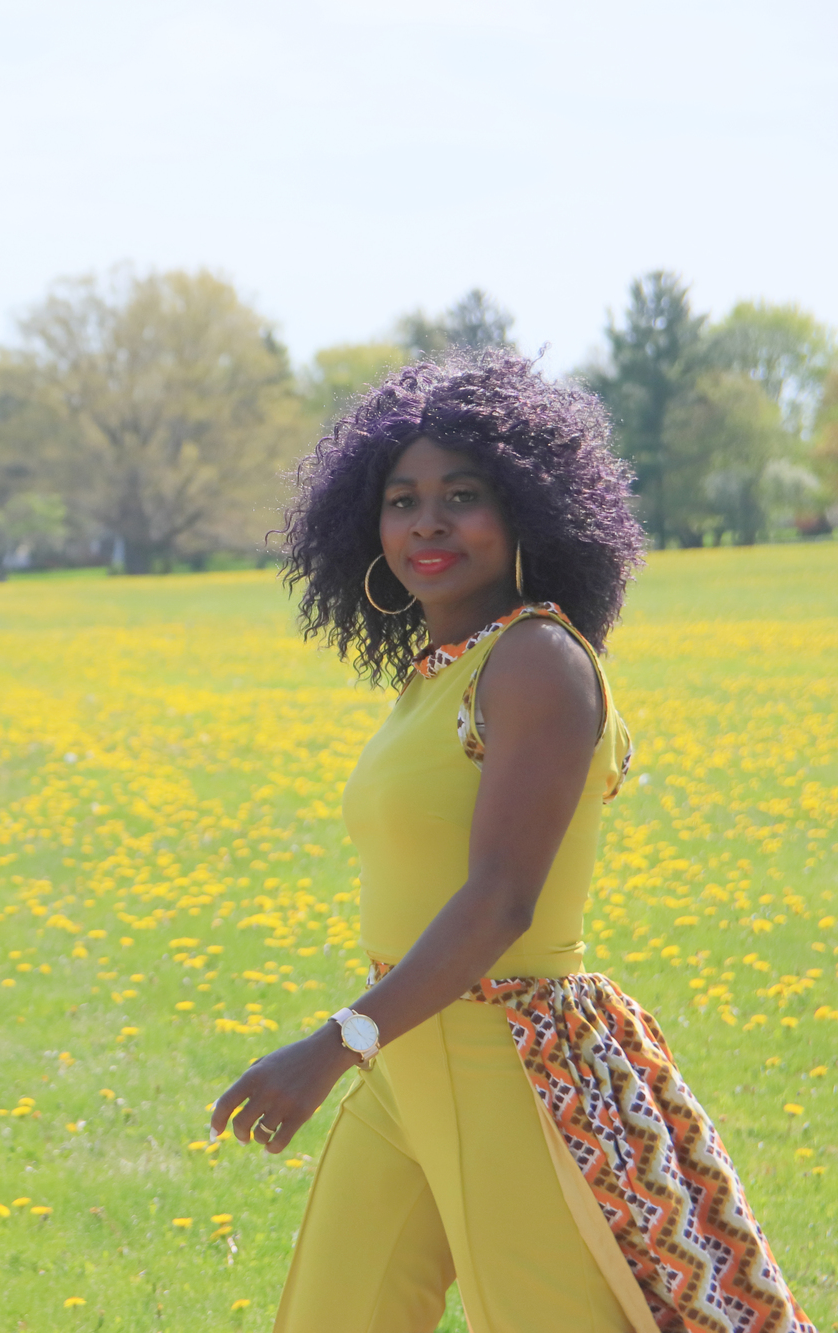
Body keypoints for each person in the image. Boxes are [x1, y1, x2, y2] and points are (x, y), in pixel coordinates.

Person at [209, 353, 815, 1333]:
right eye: (401, 500)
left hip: (504, 1054)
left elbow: (500, 898)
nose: (426, 522)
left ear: (528, 509)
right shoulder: (432, 671)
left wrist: (334, 1042)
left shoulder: (535, 658)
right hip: (407, 1053)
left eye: (462, 495)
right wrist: (368, 1042)